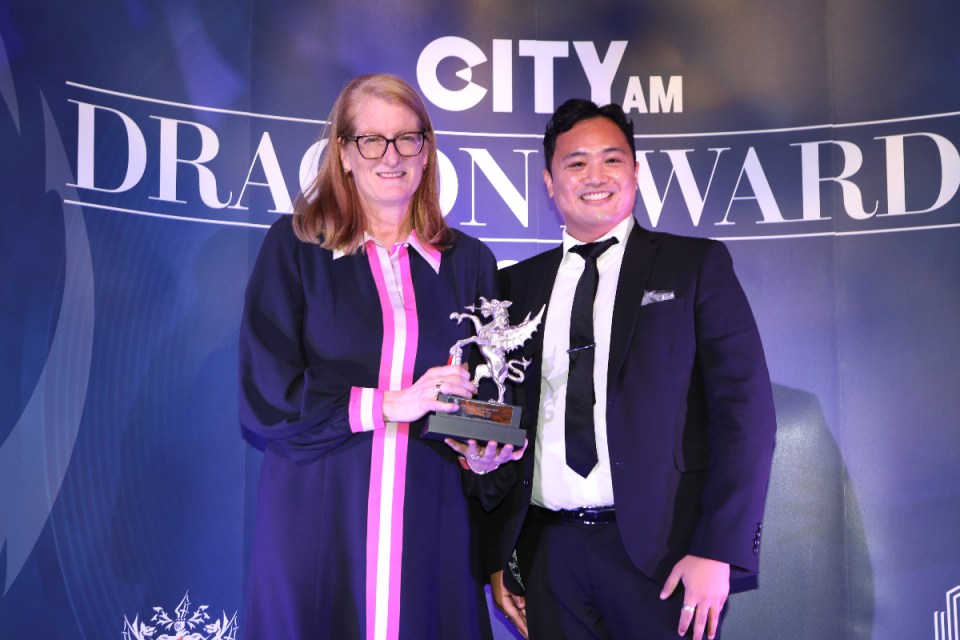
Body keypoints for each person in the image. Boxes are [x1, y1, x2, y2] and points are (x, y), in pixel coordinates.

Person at [238, 73, 522, 640]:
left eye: (407, 139)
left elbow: (493, 399)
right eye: (371, 140)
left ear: (426, 150)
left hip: (432, 520)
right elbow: (267, 397)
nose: (390, 156)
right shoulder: (296, 248)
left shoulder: (470, 262)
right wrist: (394, 402)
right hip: (318, 517)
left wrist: (485, 449)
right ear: (343, 152)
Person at [485, 99, 777, 640]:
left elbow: (746, 416)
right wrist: (499, 556)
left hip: (665, 556)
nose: (594, 176)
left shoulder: (694, 266)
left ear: (636, 172)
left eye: (611, 160)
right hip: (548, 557)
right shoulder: (512, 289)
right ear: (549, 182)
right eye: (575, 163)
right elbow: (501, 421)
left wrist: (718, 549)